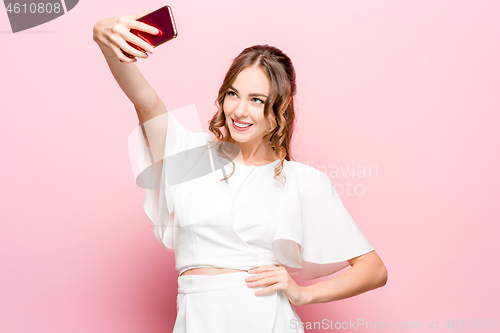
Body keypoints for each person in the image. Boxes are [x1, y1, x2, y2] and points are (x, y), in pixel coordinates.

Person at [93, 8, 388, 333]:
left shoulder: (300, 181)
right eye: (233, 93)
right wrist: (107, 41)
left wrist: (303, 294)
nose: (240, 110)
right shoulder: (190, 155)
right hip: (197, 317)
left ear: (281, 107)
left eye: (257, 100)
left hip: (265, 319)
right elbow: (145, 103)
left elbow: (373, 269)